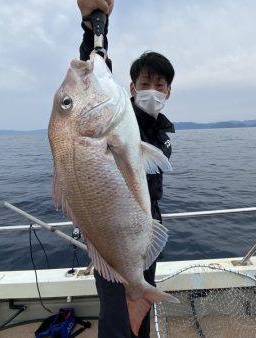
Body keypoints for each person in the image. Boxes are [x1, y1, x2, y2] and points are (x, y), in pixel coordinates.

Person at [77, 1, 175, 337]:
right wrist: (92, 26)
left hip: (145, 232)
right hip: (113, 232)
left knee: (140, 312)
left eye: (160, 85)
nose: (153, 90)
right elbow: (93, 76)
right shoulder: (120, 118)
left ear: (169, 92)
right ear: (131, 88)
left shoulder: (161, 130)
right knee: (117, 320)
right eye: (145, 82)